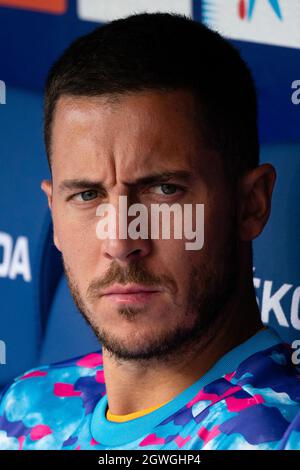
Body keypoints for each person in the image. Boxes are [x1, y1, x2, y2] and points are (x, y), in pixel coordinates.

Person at [0, 12, 299, 451]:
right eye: (87, 196)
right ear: (54, 213)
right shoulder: (26, 404)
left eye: (164, 190)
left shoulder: (281, 436)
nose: (120, 241)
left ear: (250, 205)